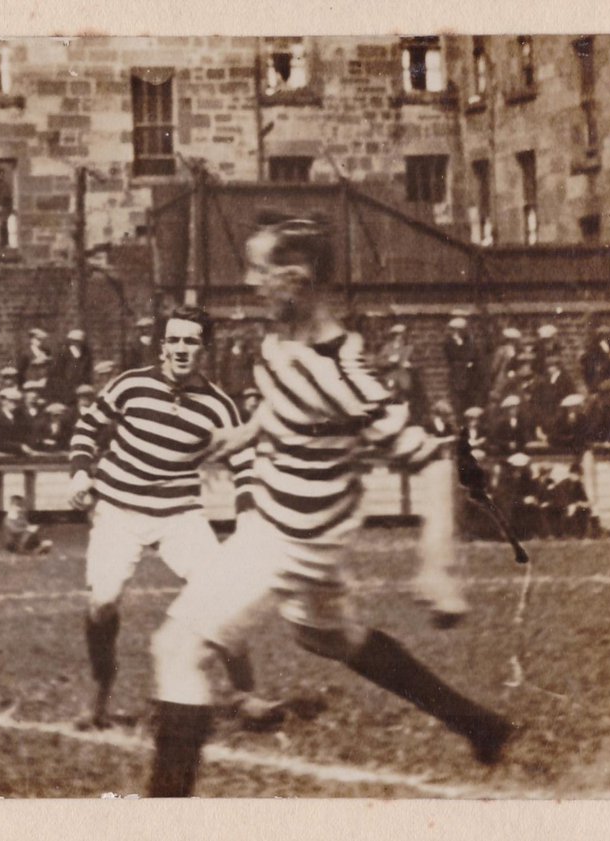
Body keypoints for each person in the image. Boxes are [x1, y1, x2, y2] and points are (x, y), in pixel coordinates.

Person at [145, 216, 512, 797]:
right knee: (327, 639)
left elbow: (435, 460)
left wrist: (438, 567)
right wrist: (241, 436)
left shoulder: (342, 373)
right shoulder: (283, 337)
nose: (249, 282)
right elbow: (286, 401)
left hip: (287, 536)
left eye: (260, 270)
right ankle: (481, 726)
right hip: (313, 532)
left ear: (297, 277)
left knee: (176, 650)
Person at [68, 305, 269, 731]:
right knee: (102, 602)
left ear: (204, 349)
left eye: (190, 341)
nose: (181, 349)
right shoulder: (130, 385)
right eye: (174, 340)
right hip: (119, 509)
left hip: (180, 513)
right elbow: (88, 428)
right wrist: (81, 472)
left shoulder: (218, 405)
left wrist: (247, 512)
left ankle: (246, 695)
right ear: (162, 346)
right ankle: (99, 694)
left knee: (222, 593)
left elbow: (246, 460)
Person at [443, 315, 482, 416]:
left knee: (469, 403)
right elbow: (452, 358)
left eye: (459, 330)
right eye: (455, 330)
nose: (457, 332)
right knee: (458, 404)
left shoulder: (468, 343)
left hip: (469, 379)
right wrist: (465, 362)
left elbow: (473, 356)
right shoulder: (449, 344)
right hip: (457, 379)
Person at [46, 329, 94, 405]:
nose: (77, 343)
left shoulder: (86, 354)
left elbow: (87, 372)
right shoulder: (63, 353)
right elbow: (57, 373)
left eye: (79, 341)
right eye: (74, 341)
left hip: (80, 388)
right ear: (70, 341)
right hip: (65, 389)